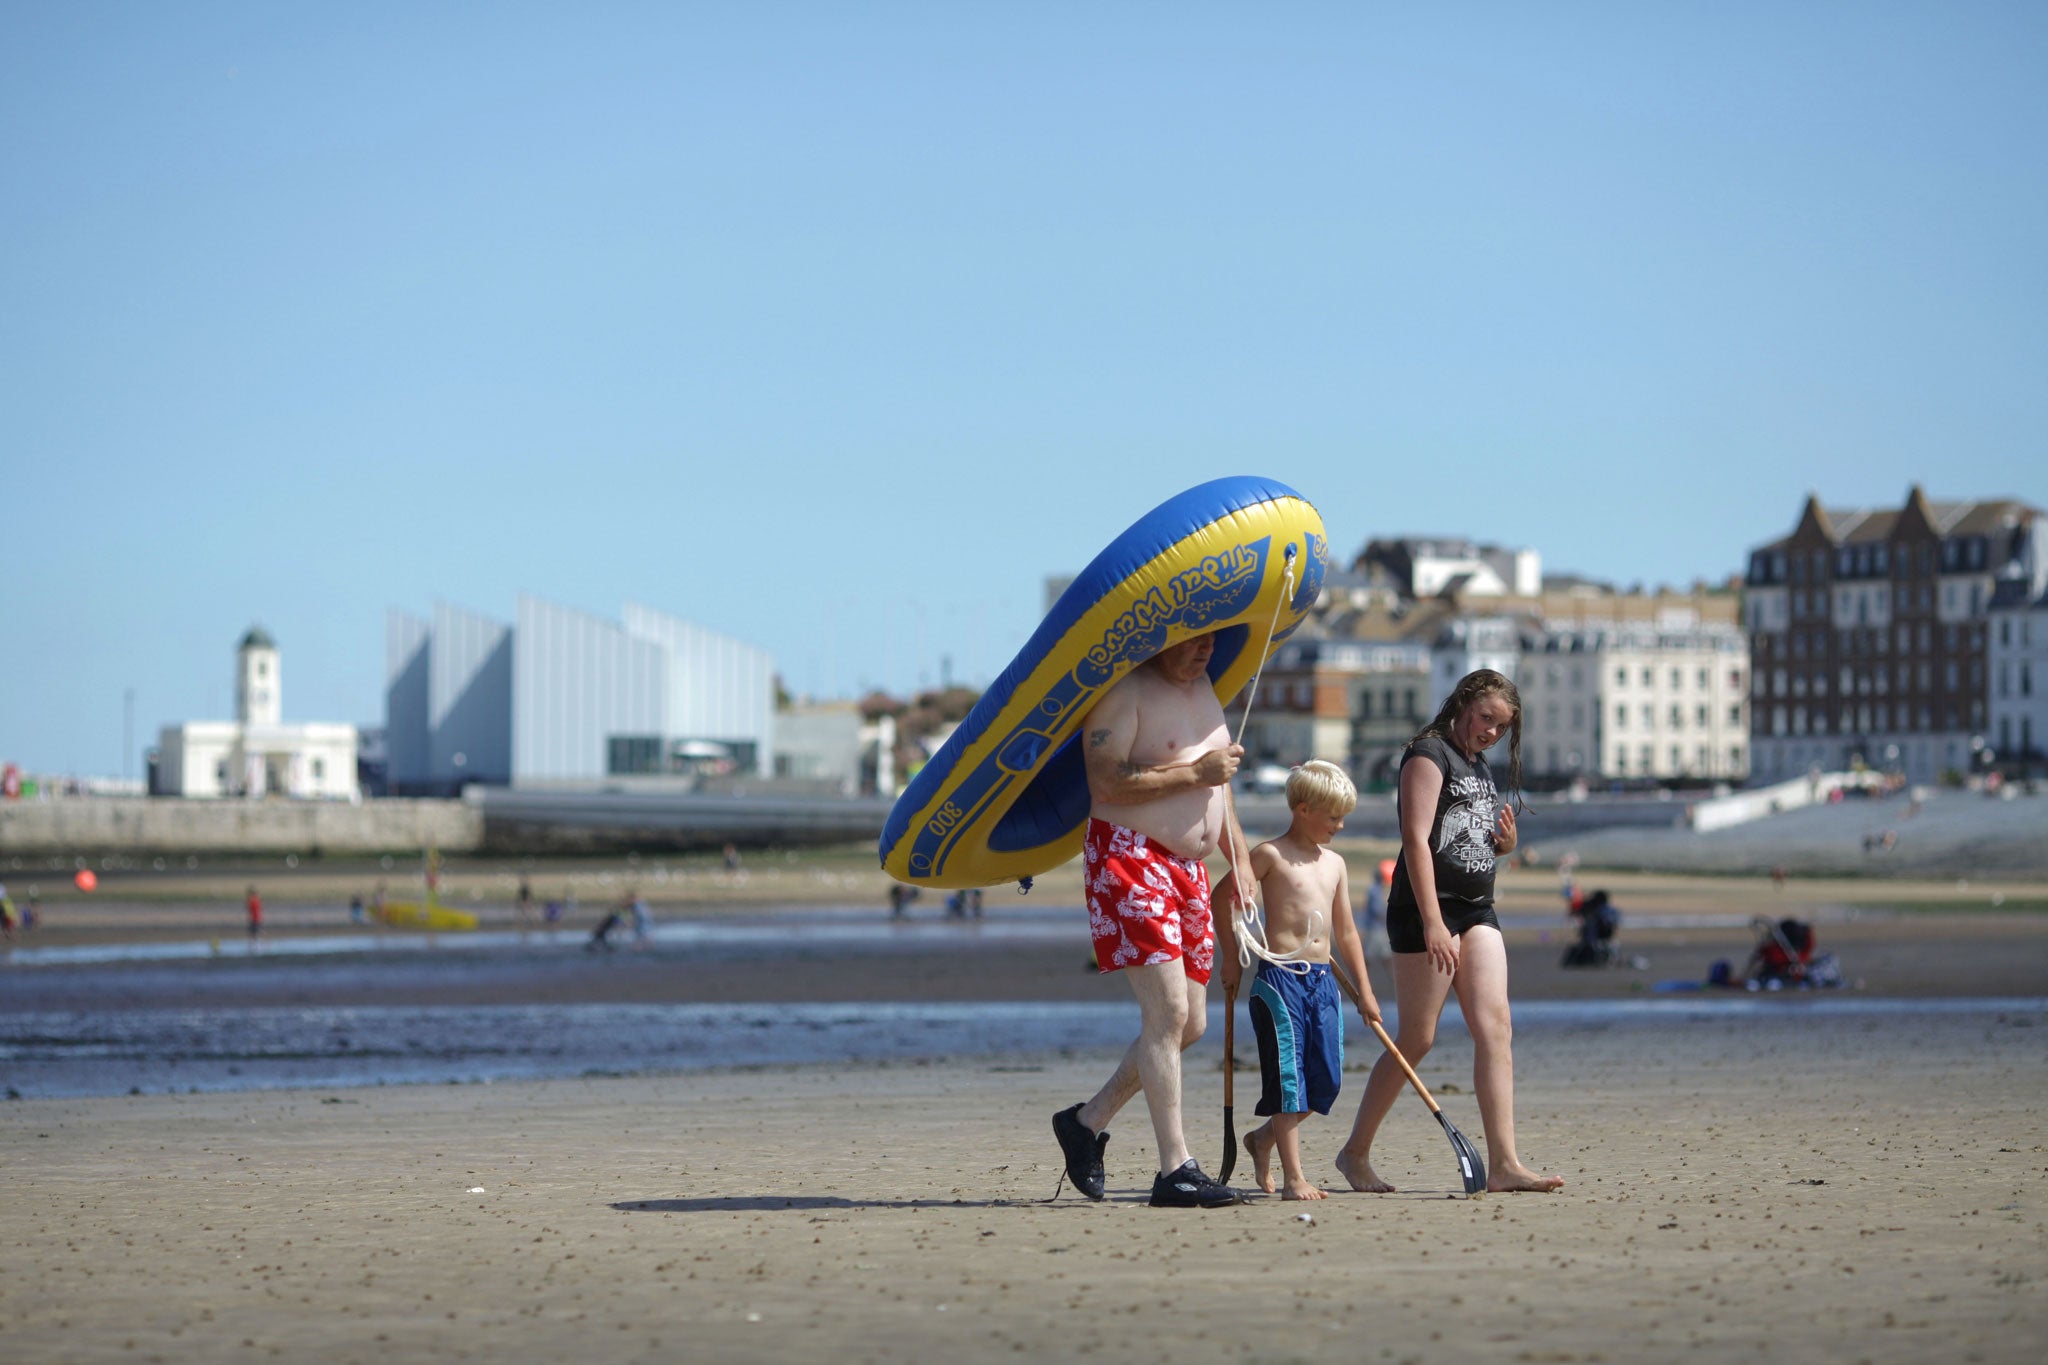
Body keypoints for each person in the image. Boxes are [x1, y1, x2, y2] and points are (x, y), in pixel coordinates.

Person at [1333, 669, 1563, 1195]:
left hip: (1478, 908)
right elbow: (1416, 840)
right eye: (1486, 719)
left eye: (1502, 728)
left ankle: (1504, 1163)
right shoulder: (1427, 754)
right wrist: (1434, 921)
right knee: (1418, 1036)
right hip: (1423, 910)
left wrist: (1501, 846)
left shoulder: (1478, 764)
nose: (1491, 733)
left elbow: (1465, 835)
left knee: (1496, 1026)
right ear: (1463, 703)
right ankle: (1355, 1151)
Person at [1050, 632, 1250, 1209]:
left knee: (1191, 1026)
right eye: (1193, 640)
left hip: (1189, 867)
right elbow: (1106, 780)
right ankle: (1175, 1169)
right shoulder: (1125, 693)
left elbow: (1222, 783)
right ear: (1163, 637)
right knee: (1167, 1013)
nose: (1205, 649)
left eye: (1212, 639)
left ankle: (1085, 1124)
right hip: (1131, 855)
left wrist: (1239, 857)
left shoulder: (1208, 689)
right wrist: (1195, 774)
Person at [1214, 761, 1380, 1201]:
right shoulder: (1270, 855)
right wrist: (1231, 959)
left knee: (1324, 1082)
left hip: (1323, 983)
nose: (1340, 826)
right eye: (1333, 817)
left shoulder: (1336, 864)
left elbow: (1346, 932)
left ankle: (1262, 1138)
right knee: (1290, 1081)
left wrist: (1365, 991)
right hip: (1278, 982)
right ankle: (1294, 1178)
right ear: (1303, 809)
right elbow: (1222, 898)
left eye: (1344, 817)